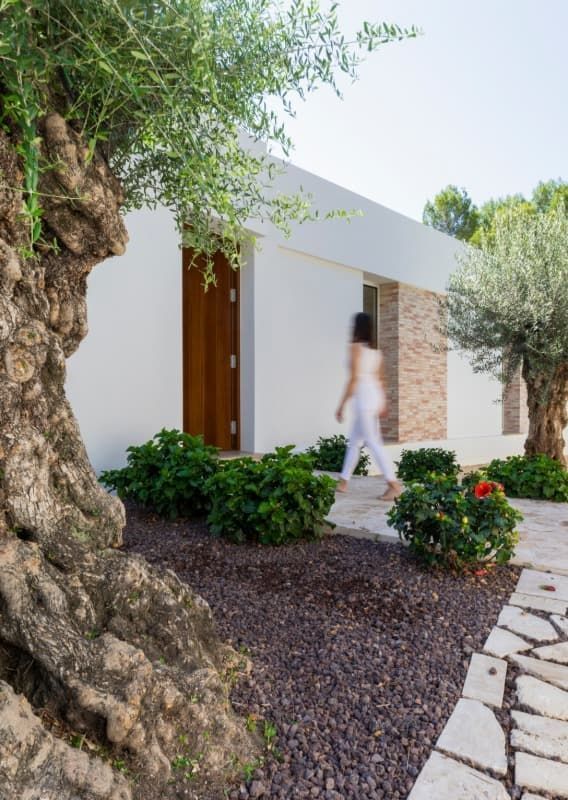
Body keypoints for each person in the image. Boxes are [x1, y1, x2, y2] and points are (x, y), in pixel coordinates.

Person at [335, 312, 402, 501]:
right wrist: (383, 402)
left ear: (356, 327)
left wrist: (341, 405)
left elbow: (354, 378)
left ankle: (394, 485)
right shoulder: (376, 353)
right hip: (372, 398)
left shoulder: (355, 348)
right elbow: (381, 379)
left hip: (363, 399)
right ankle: (343, 482)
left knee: (373, 442)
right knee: (355, 442)